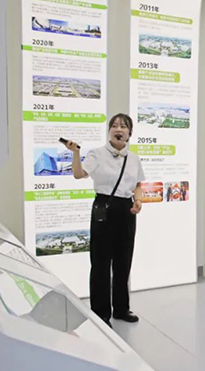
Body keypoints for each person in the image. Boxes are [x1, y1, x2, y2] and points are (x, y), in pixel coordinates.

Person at [63, 113, 145, 328]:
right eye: (115, 126)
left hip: (126, 210)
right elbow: (79, 174)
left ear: (130, 133)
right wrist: (76, 153)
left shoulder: (134, 158)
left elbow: (138, 185)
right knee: (100, 263)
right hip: (104, 208)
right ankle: (101, 314)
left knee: (123, 262)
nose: (119, 129)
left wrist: (138, 201)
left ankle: (121, 308)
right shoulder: (97, 154)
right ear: (109, 131)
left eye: (124, 126)